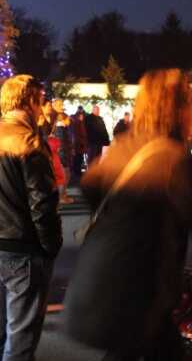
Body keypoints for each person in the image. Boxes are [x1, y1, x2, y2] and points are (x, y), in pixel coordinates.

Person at [65, 69, 192, 360]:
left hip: (109, 283)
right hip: (144, 289)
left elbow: (90, 186)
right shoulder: (172, 159)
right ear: (178, 108)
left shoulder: (123, 147)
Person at [0, 75, 62, 361]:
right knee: (20, 339)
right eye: (41, 101)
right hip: (20, 249)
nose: (43, 108)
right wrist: (50, 246)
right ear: (31, 101)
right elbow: (43, 204)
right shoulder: (30, 141)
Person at [70, 106, 88, 183]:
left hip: (79, 143)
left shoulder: (78, 120)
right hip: (78, 143)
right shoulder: (77, 121)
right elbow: (78, 133)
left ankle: (76, 173)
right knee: (77, 159)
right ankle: (76, 174)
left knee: (78, 159)